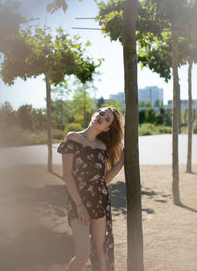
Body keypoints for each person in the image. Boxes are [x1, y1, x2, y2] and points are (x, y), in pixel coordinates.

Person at [57, 106, 124, 271]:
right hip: (78, 201)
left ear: (107, 128)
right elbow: (67, 176)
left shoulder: (102, 146)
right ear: (96, 114)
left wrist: (122, 162)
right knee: (82, 255)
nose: (102, 117)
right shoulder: (73, 137)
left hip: (99, 201)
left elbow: (104, 180)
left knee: (100, 250)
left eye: (107, 119)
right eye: (101, 113)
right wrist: (80, 206)